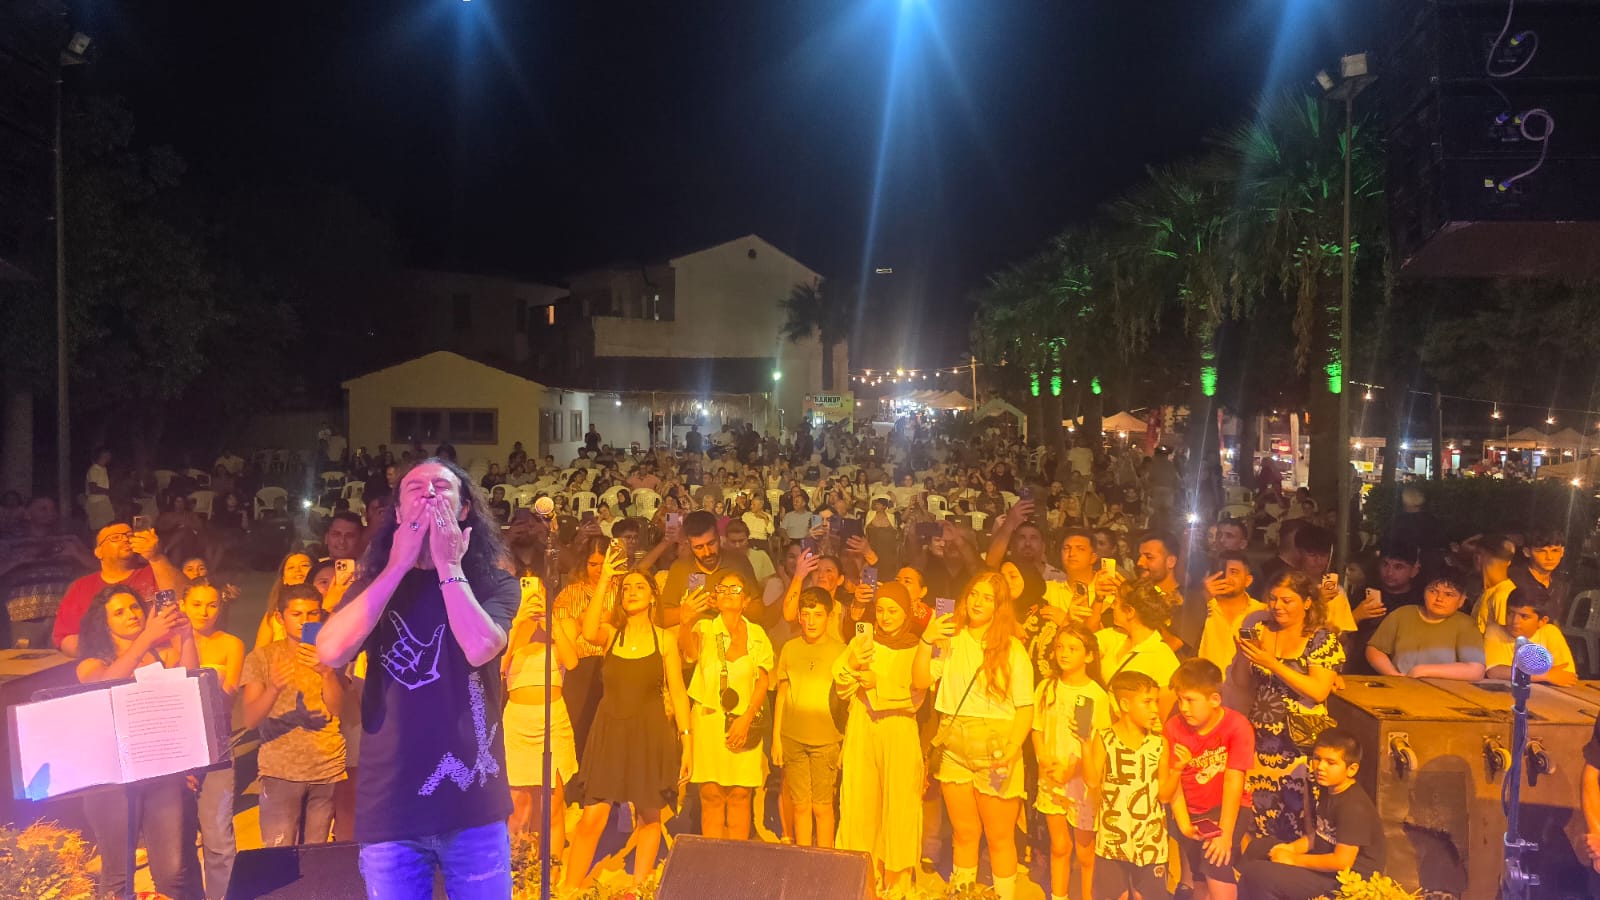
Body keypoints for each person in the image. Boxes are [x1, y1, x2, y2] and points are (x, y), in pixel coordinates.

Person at [316, 458, 521, 899]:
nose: (428, 493)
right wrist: (396, 566)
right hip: (393, 807)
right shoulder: (374, 585)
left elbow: (480, 647)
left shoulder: (494, 583)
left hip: (473, 804)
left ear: (464, 510)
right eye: (414, 488)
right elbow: (331, 650)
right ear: (397, 513)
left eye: (441, 487)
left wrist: (449, 566)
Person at [565, 561, 692, 891]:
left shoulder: (664, 640)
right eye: (627, 588)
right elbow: (587, 631)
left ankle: (638, 889)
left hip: (649, 734)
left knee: (649, 815)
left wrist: (687, 741)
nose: (632, 592)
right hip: (610, 733)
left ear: (652, 596)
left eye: (639, 587)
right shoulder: (611, 634)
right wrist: (606, 579)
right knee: (592, 816)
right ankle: (568, 890)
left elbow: (678, 693)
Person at [76, 584, 202, 900]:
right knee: (119, 874)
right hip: (112, 780)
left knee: (173, 872)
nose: (131, 614)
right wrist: (147, 637)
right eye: (119, 612)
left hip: (160, 772)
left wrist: (187, 636)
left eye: (134, 607)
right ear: (104, 623)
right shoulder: (92, 664)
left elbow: (189, 681)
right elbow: (105, 684)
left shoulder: (160, 655)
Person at [834, 582, 945, 894]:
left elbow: (916, 695)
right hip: (863, 726)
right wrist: (852, 665)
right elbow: (841, 683)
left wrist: (876, 684)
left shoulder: (917, 647)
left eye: (893, 610)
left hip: (898, 729)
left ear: (906, 612)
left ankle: (897, 881)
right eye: (881, 610)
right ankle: (862, 878)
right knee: (860, 803)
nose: (885, 617)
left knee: (899, 806)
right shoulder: (864, 641)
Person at [935, 571, 1035, 900]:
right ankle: (961, 894)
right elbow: (922, 678)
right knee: (964, 832)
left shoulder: (1013, 649)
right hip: (954, 745)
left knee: (999, 836)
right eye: (974, 594)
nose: (977, 602)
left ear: (999, 606)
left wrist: (1011, 749)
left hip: (996, 747)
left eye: (988, 598)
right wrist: (927, 640)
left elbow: (1025, 707)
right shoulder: (950, 637)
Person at [1231, 570, 1344, 842]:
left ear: (1307, 602)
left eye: (1286, 600)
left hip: (1299, 746)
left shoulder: (1322, 640)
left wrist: (1272, 664)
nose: (1277, 606)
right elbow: (1241, 683)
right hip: (1262, 743)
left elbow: (1318, 691)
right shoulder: (1261, 630)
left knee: (1299, 820)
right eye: (1273, 599)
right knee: (1259, 817)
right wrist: (1245, 655)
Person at [241, 584, 347, 847]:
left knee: (316, 853)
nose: (305, 621)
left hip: (326, 767)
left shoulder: (332, 654)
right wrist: (274, 688)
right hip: (280, 771)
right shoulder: (263, 657)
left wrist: (327, 673)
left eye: (312, 614)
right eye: (296, 614)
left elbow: (338, 709)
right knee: (280, 854)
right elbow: (250, 719)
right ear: (280, 617)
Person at [680, 567, 773, 840]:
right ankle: (712, 860)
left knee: (740, 794)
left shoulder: (757, 634)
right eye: (723, 589)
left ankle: (737, 861)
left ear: (746, 600)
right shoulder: (705, 628)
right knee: (711, 794)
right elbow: (689, 652)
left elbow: (763, 682)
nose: (728, 594)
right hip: (709, 721)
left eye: (735, 589)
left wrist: (746, 718)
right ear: (715, 598)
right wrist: (685, 622)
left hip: (744, 723)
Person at [1237, 728, 1385, 900]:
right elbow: (1320, 835)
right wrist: (1291, 848)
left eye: (1331, 763)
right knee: (1259, 848)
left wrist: (1293, 859)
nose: (1320, 767)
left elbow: (1341, 862)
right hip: (1326, 865)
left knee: (1260, 875)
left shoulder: (1354, 807)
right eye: (1317, 758)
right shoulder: (1329, 789)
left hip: (1344, 883)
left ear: (1351, 769)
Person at [500, 567, 580, 854]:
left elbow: (572, 662)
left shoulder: (561, 622)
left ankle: (552, 871)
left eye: (538, 589)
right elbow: (498, 668)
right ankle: (519, 872)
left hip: (553, 720)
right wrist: (518, 623)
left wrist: (551, 623)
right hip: (518, 722)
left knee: (553, 803)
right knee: (517, 805)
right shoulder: (508, 624)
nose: (532, 595)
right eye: (526, 588)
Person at [1165, 659, 1256, 900]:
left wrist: (1225, 833)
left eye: (1190, 700)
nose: (1184, 708)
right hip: (1192, 811)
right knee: (1199, 877)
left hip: (1228, 808)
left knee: (1216, 861)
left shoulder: (1237, 726)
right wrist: (1184, 824)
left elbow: (1233, 781)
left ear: (1214, 699)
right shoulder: (1173, 728)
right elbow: (1175, 784)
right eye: (1180, 700)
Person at [1032, 624, 1110, 900]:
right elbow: (1037, 728)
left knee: (1085, 852)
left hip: (1081, 782)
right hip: (1052, 776)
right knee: (1059, 845)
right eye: (1060, 647)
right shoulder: (1047, 687)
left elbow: (1098, 743)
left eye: (1073, 648)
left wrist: (1072, 769)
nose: (1064, 653)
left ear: (1088, 655)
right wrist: (1044, 759)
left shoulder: (1097, 695)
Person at [1085, 670, 1172, 900]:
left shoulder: (1159, 744)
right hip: (1113, 838)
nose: (1155, 709)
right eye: (1147, 702)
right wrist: (1084, 745)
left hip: (1150, 839)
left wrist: (1178, 770)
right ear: (1125, 704)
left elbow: (1164, 795)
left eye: (1156, 702)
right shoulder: (1105, 738)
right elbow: (1092, 780)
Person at [774, 587, 847, 848]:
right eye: (806, 615)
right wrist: (777, 739)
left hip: (826, 741)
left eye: (818, 615)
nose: (811, 621)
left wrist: (845, 745)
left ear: (829, 616)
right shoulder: (790, 648)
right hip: (793, 739)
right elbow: (782, 694)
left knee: (822, 806)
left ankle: (824, 859)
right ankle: (803, 858)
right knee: (801, 805)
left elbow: (847, 704)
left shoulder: (841, 651)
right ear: (799, 617)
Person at [183, 583, 243, 900]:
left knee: (219, 834)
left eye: (212, 605)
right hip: (177, 747)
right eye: (196, 604)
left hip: (217, 743)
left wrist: (204, 685)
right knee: (178, 838)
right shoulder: (169, 644)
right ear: (183, 605)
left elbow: (229, 698)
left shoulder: (232, 644)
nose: (204, 612)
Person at [54, 520, 187, 657]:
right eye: (115, 537)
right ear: (99, 552)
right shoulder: (81, 587)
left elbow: (185, 599)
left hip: (163, 656)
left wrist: (157, 557)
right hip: (109, 662)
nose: (125, 539)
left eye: (129, 536)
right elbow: (65, 638)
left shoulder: (156, 571)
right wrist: (112, 655)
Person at [1363, 571, 1485, 681]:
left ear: (1461, 600)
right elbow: (1375, 649)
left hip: (1444, 692)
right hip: (1400, 685)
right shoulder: (1402, 614)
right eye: (1433, 591)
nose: (1439, 599)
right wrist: (1393, 674)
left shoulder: (1466, 625)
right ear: (1424, 592)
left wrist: (1422, 671)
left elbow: (1475, 670)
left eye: (1449, 594)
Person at [1098, 580, 1182, 718]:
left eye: (1116, 602)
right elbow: (1081, 645)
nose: (1112, 606)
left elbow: (1167, 717)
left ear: (1130, 611)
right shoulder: (1114, 636)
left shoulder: (1163, 657)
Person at [1484, 587, 1577, 685]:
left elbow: (1567, 674)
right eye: (1510, 613)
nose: (1515, 621)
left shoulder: (1550, 632)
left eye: (1524, 616)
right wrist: (1545, 675)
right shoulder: (1495, 631)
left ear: (1542, 621)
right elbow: (1493, 671)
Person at [1195, 551, 1263, 678]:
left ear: (1248, 580)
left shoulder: (1261, 612)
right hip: (1205, 686)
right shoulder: (1202, 607)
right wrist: (1203, 598)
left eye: (1234, 572)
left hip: (1245, 687)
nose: (1226, 578)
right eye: (1221, 572)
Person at [254, 551, 315, 650]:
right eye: (291, 567)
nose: (297, 570)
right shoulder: (273, 614)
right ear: (284, 579)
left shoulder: (327, 607)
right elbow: (258, 653)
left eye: (304, 565)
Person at [86, 446, 116, 531]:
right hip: (97, 503)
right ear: (102, 455)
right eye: (108, 454)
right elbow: (93, 489)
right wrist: (108, 491)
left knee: (109, 526)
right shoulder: (94, 470)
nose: (110, 456)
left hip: (103, 500)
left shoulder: (103, 469)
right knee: (99, 529)